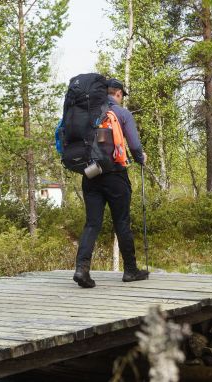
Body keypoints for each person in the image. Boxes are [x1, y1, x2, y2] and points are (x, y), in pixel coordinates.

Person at [73, 78, 149, 288]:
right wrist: (141, 158)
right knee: (121, 222)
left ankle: (82, 269)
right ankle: (131, 271)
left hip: (90, 174)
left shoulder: (87, 112)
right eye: (122, 95)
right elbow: (134, 145)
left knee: (92, 223)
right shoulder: (122, 114)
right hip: (115, 174)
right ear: (118, 94)